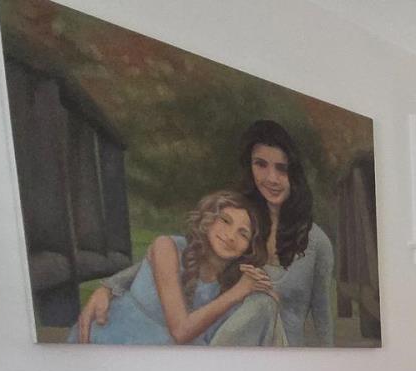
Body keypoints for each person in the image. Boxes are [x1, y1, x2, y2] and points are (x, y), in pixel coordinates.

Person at [76, 120, 335, 347]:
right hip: (220, 347)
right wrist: (110, 287)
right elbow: (177, 256)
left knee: (262, 305)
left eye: (282, 168)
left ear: (295, 173)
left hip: (283, 353)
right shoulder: (238, 221)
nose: (271, 178)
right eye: (261, 165)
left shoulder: (317, 242)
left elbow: (323, 317)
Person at [75, 191, 272, 346]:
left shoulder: (237, 281)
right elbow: (180, 331)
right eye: (225, 220)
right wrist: (237, 293)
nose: (230, 236)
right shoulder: (167, 247)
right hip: (120, 338)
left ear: (249, 247)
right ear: (209, 219)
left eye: (243, 234)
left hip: (172, 359)